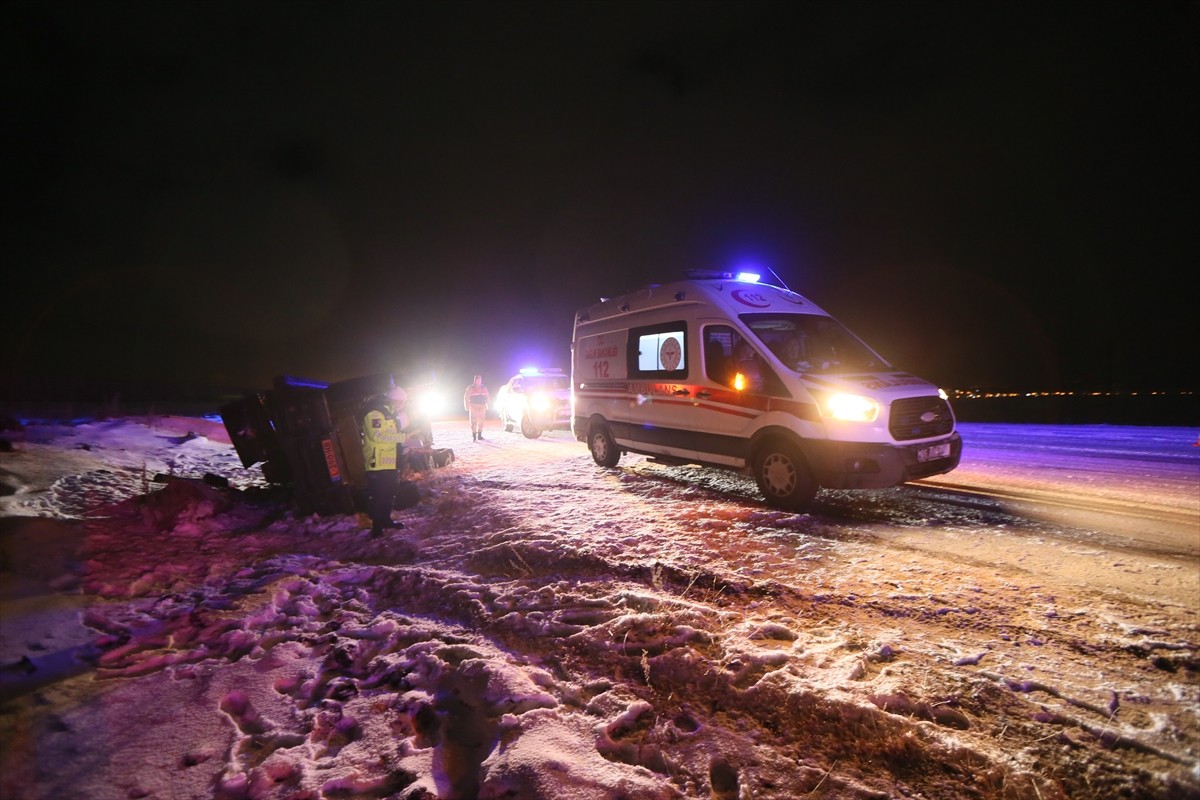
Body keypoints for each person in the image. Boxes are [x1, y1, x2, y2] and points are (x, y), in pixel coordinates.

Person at [361, 384, 409, 537]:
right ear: (393, 399)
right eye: (401, 401)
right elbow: (377, 436)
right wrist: (401, 438)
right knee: (378, 495)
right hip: (377, 463)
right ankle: (376, 527)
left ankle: (386, 520)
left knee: (389, 492)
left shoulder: (390, 414)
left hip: (389, 461)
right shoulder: (374, 413)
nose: (403, 405)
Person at [463, 374, 490, 441]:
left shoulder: (484, 388)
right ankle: (474, 435)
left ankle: (480, 435)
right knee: (473, 421)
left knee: (481, 421)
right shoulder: (470, 388)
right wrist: (466, 406)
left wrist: (488, 405)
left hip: (482, 406)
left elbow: (487, 397)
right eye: (477, 380)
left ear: (481, 380)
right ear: (474, 380)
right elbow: (466, 397)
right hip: (473, 406)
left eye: (479, 380)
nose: (478, 381)